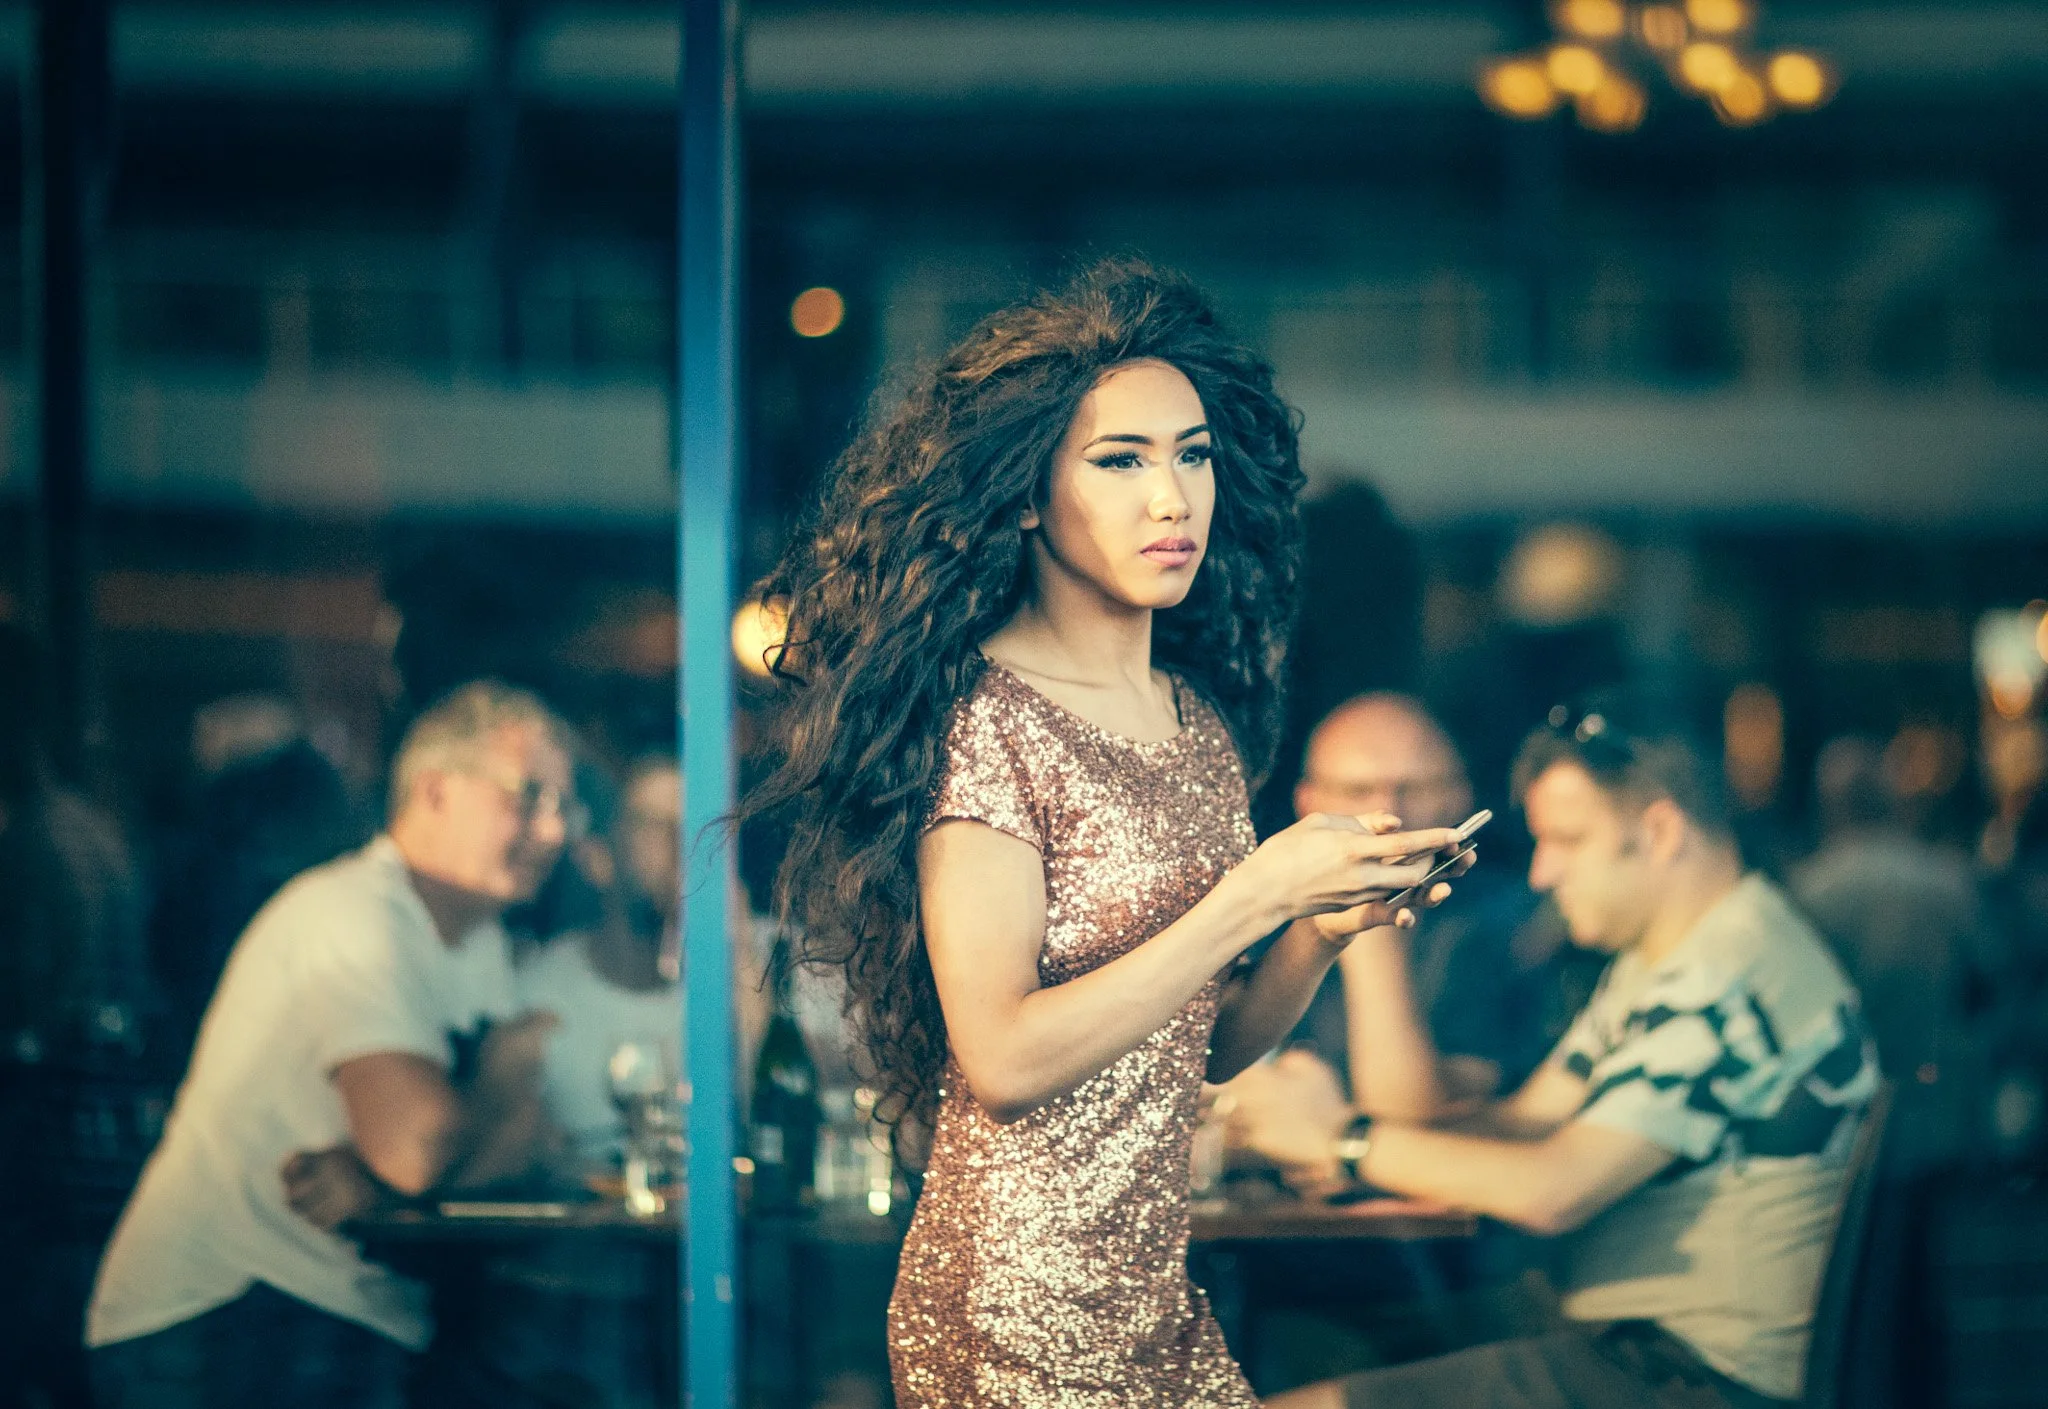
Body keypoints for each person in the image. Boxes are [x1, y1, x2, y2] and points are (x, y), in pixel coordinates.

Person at [740, 259, 1470, 1408]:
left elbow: (1207, 1046)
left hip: (1150, 1293)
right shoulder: (986, 722)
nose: (1171, 498)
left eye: (1189, 454)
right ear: (1028, 493)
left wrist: (1318, 929)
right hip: (1013, 1306)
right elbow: (1005, 1056)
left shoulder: (1196, 728)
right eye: (1119, 461)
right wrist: (1255, 891)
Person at [1234, 701, 1880, 1409]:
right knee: (1308, 1343)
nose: (1543, 872)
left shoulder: (1729, 978)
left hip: (1690, 1374)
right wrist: (1328, 1134)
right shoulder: (1671, 960)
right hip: (1627, 1340)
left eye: (1568, 839)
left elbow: (1553, 1189)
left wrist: (1341, 1139)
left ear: (1660, 829)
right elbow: (1523, 1121)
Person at [85, 681, 579, 1409]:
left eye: (567, 806)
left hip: (337, 1318)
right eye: (529, 796)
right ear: (436, 789)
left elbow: (529, 1145)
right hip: (221, 1317)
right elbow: (421, 1145)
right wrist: (497, 1083)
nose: (555, 831)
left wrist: (375, 1179)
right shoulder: (352, 914)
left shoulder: (481, 941)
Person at [1276, 692, 1603, 1106]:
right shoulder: (1271, 913)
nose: (1388, 812)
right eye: (1357, 790)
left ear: (1460, 798)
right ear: (1308, 804)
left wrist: (1372, 931)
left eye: (1413, 789)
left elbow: (1430, 1114)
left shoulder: (1517, 924)